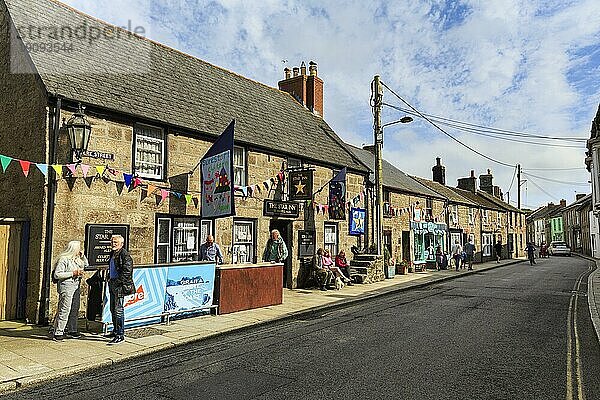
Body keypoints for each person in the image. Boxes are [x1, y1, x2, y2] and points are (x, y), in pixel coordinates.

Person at [51, 241, 88, 341]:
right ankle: (58, 332)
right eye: (78, 248)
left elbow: (86, 266)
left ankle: (72, 330)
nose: (79, 250)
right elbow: (57, 275)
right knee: (65, 309)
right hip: (66, 286)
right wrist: (73, 273)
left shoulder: (77, 259)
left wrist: (83, 256)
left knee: (74, 308)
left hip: (76, 286)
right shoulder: (64, 259)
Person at [106, 235, 135, 345]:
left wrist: (118, 282)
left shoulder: (125, 255)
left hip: (119, 285)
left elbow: (127, 272)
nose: (113, 244)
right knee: (112, 309)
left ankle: (120, 334)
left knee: (118, 310)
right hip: (112, 283)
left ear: (121, 244)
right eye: (112, 242)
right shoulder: (112, 253)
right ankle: (115, 331)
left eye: (116, 242)